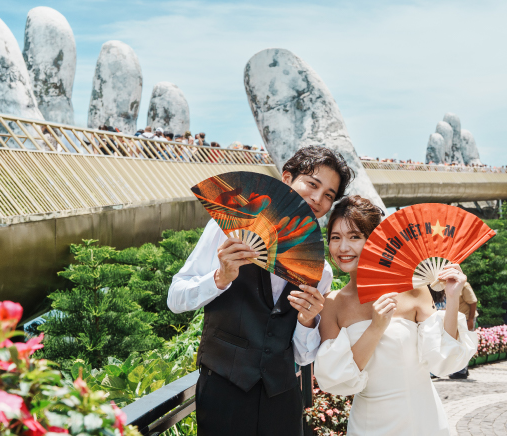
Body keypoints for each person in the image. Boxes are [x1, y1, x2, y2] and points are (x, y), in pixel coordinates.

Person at [168, 146, 354, 436]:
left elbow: (304, 358)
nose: (318, 199)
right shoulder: (228, 229)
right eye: (312, 184)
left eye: (329, 195)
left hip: (282, 398)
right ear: (286, 179)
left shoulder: (320, 271)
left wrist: (307, 320)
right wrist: (219, 277)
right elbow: (175, 298)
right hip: (223, 392)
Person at [314, 196, 478, 436]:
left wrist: (453, 299)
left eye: (354, 237)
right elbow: (337, 379)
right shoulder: (331, 304)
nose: (343, 247)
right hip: (368, 424)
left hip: (421, 419)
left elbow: (444, 359)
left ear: (376, 240)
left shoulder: (413, 289)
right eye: (335, 237)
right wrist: (376, 327)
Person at [448, 282, 478, 380]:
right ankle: (463, 369)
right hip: (454, 319)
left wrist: (470, 319)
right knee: (456, 343)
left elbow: (473, 302)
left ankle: (461, 371)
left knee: (464, 343)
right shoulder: (444, 284)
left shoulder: (464, 285)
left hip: (466, 318)